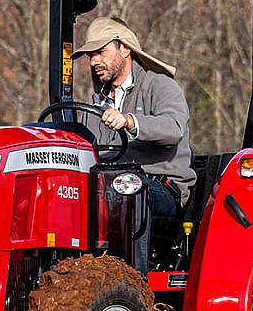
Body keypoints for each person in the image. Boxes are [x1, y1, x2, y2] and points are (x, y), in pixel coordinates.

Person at [73, 16, 196, 271]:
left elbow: (173, 127)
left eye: (100, 51)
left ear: (125, 48)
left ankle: (133, 281)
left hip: (161, 186)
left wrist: (130, 121)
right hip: (108, 186)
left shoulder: (160, 86)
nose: (94, 61)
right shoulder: (95, 103)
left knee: (129, 188)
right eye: (90, 55)